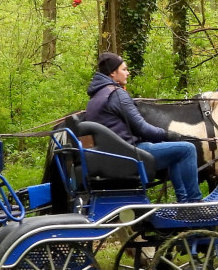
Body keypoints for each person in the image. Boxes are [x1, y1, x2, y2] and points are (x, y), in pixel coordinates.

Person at [85, 52, 202, 203]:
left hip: (113, 154)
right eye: (124, 69)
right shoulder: (117, 94)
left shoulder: (95, 97)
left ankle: (183, 202)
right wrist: (168, 134)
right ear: (113, 73)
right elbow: (142, 128)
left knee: (173, 152)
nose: (128, 73)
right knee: (187, 149)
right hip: (129, 154)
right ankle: (195, 202)